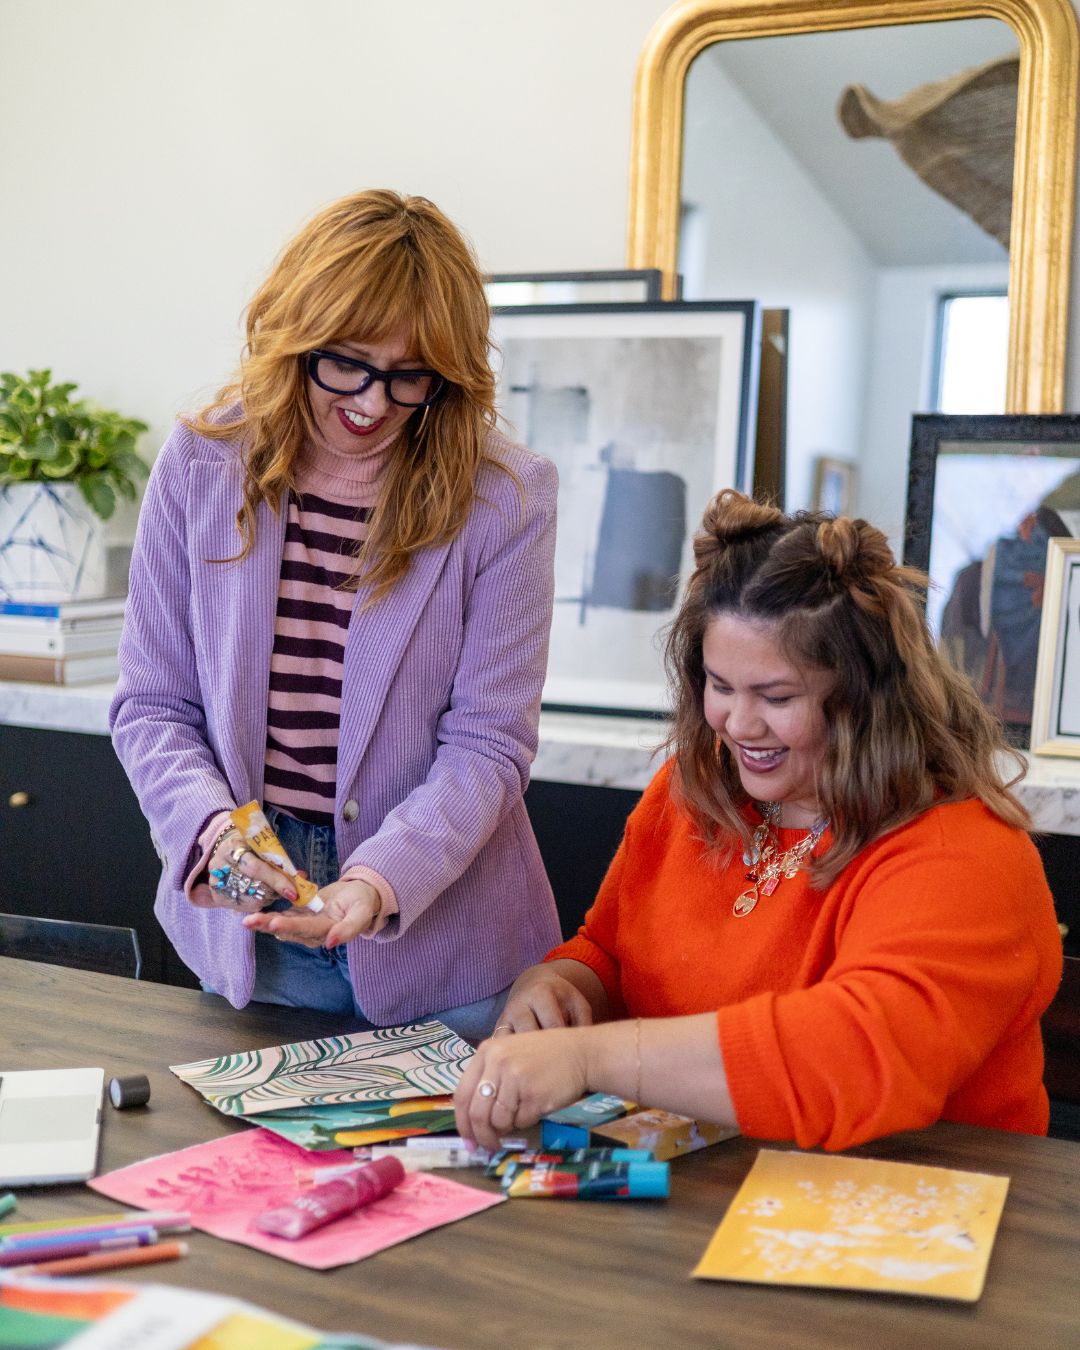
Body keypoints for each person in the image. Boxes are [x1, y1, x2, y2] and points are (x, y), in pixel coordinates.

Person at [454, 492, 1063, 1149]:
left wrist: (590, 1057)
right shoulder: (692, 788)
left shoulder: (961, 851)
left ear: (864, 695)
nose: (740, 726)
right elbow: (608, 952)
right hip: (710, 1186)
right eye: (720, 686)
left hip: (918, 1210)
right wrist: (561, 988)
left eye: (776, 696)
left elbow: (852, 1058)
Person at [111, 190, 561, 1038]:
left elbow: (490, 744)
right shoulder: (204, 462)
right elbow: (154, 707)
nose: (372, 403)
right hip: (257, 928)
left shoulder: (506, 497)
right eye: (347, 363)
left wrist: (378, 881)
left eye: (409, 376)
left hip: (448, 938)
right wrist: (216, 838)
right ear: (295, 336)